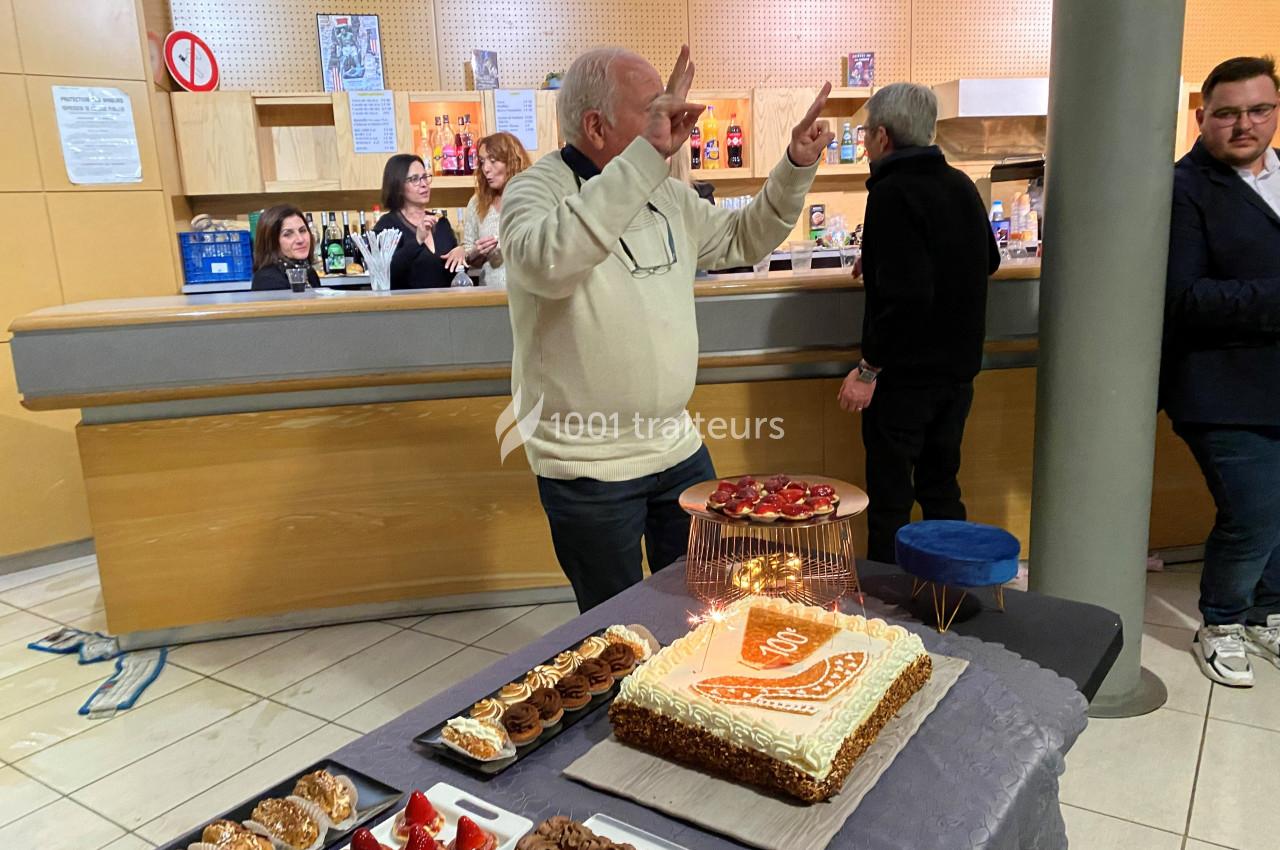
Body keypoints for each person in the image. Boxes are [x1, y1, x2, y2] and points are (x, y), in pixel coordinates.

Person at [501, 45, 833, 611]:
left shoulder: (666, 194)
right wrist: (647, 158)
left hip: (677, 449)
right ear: (596, 126)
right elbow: (548, 263)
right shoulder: (534, 191)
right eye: (654, 109)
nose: (675, 120)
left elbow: (742, 239)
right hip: (587, 465)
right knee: (619, 626)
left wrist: (795, 166)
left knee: (706, 605)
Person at [836, 82, 1000, 564]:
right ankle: (950, 588)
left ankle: (889, 598)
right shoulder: (960, 184)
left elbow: (906, 298)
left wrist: (868, 370)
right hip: (957, 376)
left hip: (905, 381)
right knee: (941, 487)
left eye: (867, 133)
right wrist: (881, 257)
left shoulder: (891, 192)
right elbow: (987, 260)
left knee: (890, 501)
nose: (866, 143)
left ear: (882, 136)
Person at [1162, 55, 1280, 687]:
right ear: (1203, 118)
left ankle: (1268, 611)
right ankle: (1224, 619)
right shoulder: (1184, 188)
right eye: (1228, 113)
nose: (1244, 125)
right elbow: (1184, 297)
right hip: (1220, 387)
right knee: (1253, 510)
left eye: (1258, 110)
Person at [372, 153, 462, 289]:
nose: (424, 184)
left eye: (425, 177)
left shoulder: (442, 223)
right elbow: (384, 273)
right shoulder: (387, 226)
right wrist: (417, 240)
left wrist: (462, 253)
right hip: (407, 302)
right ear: (398, 186)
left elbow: (453, 273)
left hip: (445, 301)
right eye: (415, 179)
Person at [460, 132, 531, 289]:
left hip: (528, 294)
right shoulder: (477, 203)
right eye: (482, 161)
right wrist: (476, 253)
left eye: (493, 161)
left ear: (512, 162)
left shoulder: (532, 198)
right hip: (490, 296)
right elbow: (470, 258)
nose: (486, 168)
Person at [250, 204, 321, 291]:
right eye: (288, 234)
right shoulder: (267, 280)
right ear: (272, 242)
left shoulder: (309, 272)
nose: (300, 239)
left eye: (302, 230)